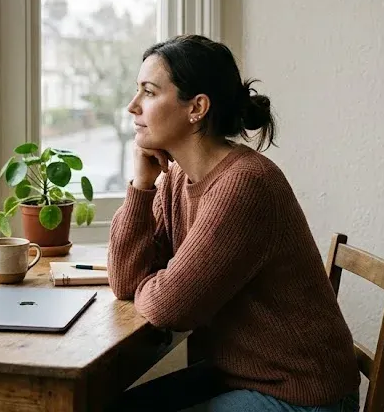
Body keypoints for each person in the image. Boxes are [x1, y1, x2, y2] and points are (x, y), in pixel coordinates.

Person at [107, 35, 361, 412]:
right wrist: (142, 186)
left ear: (197, 107)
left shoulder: (244, 185)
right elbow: (126, 281)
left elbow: (171, 308)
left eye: (149, 92)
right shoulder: (178, 177)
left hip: (302, 395)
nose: (132, 106)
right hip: (240, 376)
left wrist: (158, 285)